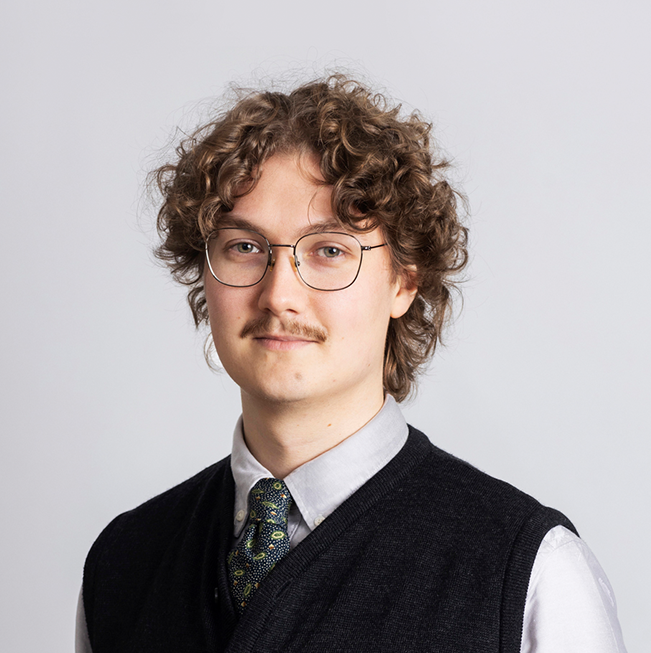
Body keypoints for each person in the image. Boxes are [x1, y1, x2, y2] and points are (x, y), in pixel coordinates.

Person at [77, 74, 627, 653]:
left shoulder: (528, 574)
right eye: (244, 247)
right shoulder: (125, 562)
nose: (279, 295)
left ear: (404, 283)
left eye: (330, 250)